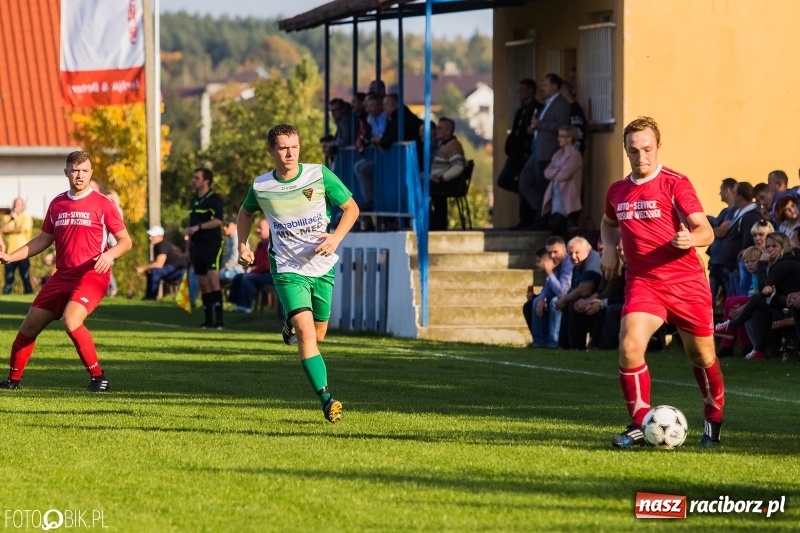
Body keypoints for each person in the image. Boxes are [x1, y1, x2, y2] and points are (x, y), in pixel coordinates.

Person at [600, 116, 724, 448]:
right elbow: (608, 223)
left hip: (686, 284)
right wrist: (609, 250)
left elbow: (705, 229)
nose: (641, 157)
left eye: (647, 149)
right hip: (643, 283)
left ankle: (713, 418)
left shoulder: (675, 183)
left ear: (658, 147)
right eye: (633, 151)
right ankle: (640, 423)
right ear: (626, 151)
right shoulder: (617, 191)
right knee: (629, 346)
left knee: (702, 356)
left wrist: (691, 239)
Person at [236, 124, 359, 423]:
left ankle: (290, 326)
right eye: (282, 147)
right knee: (306, 333)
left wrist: (335, 238)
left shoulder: (319, 175)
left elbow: (351, 209)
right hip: (288, 268)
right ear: (271, 151)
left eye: (294, 146)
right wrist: (243, 246)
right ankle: (326, 398)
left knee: (318, 334)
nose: (289, 153)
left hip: (322, 267)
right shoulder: (262, 185)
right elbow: (245, 212)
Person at [0, 151, 132, 391]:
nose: (79, 175)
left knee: (71, 320)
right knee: (28, 327)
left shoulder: (103, 204)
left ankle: (98, 378)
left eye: (84, 171)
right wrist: (11, 256)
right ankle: (12, 381)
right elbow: (42, 240)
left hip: (91, 275)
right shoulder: (58, 203)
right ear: (66, 173)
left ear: (91, 173)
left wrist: (110, 254)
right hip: (62, 276)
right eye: (75, 170)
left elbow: (125, 241)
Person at [716, 232, 800, 360]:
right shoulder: (787, 260)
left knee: (757, 300)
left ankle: (732, 328)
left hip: (790, 308)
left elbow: (763, 286)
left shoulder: (784, 263)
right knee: (754, 307)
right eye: (768, 247)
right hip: (784, 304)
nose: (770, 249)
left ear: (784, 247)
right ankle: (758, 350)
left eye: (774, 246)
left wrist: (761, 263)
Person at [519, 73, 571, 228]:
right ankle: (541, 212)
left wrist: (540, 125)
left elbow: (561, 126)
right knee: (526, 182)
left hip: (549, 153)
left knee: (543, 187)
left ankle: (542, 219)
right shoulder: (547, 103)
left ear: (555, 86)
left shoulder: (561, 104)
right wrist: (534, 128)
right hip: (538, 151)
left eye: (546, 85)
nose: (542, 88)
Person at [185, 167, 225, 330]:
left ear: (206, 181)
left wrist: (199, 227)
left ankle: (220, 321)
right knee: (202, 283)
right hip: (197, 246)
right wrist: (188, 248)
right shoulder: (194, 200)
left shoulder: (214, 199)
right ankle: (208, 321)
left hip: (212, 245)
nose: (194, 181)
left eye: (197, 178)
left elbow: (218, 221)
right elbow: (190, 226)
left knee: (213, 279)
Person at [496, 79, 538, 229]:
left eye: (523, 89)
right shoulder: (520, 111)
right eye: (519, 89)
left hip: (525, 155)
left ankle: (528, 219)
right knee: (505, 181)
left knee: (523, 183)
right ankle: (527, 216)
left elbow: (532, 133)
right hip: (515, 154)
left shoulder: (535, 109)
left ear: (531, 91)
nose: (520, 93)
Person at [555, 236, 603, 349]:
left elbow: (585, 289)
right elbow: (574, 288)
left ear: (587, 250)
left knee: (573, 306)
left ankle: (577, 347)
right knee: (567, 305)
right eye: (570, 253)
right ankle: (563, 346)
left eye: (577, 252)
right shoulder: (578, 265)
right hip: (590, 299)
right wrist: (563, 300)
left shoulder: (592, 261)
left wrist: (565, 299)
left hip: (598, 300)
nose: (573, 256)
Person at [527, 236, 573, 349]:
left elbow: (562, 292)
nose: (552, 256)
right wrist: (542, 298)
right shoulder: (555, 262)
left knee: (554, 302)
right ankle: (539, 342)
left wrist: (550, 273)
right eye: (549, 252)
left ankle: (554, 342)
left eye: (555, 252)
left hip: (571, 296)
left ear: (564, 250)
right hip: (561, 295)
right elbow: (548, 288)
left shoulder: (569, 265)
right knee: (536, 301)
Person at [540, 125, 583, 240]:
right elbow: (546, 172)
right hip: (556, 197)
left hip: (568, 199)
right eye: (558, 136)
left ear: (570, 138)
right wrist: (558, 171)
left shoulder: (575, 155)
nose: (559, 139)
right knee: (555, 226)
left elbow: (563, 175)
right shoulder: (558, 154)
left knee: (559, 225)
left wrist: (556, 171)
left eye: (562, 136)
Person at [428, 117, 466, 231]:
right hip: (441, 182)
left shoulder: (453, 146)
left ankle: (435, 224)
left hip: (448, 184)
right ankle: (435, 223)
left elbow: (458, 166)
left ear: (448, 130)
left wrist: (443, 178)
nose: (436, 131)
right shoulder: (443, 144)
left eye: (439, 128)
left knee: (422, 188)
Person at [228, 218, 273, 313]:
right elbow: (255, 261)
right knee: (238, 277)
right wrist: (247, 259)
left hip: (270, 275)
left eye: (260, 228)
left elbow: (266, 265)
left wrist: (252, 271)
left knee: (247, 278)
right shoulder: (261, 244)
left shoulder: (271, 244)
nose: (257, 230)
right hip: (261, 274)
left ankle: (246, 307)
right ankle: (237, 304)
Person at [136, 225, 186, 300]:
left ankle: (151, 297)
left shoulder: (162, 245)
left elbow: (159, 264)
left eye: (152, 236)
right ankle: (149, 296)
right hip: (175, 268)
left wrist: (143, 268)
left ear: (160, 236)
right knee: (151, 271)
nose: (150, 238)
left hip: (178, 270)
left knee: (156, 271)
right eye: (150, 236)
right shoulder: (160, 245)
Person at [2, 198, 34, 294]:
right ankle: (5, 297)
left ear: (23, 206)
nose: (17, 206)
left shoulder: (26, 218)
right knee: (9, 278)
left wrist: (10, 230)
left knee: (25, 277)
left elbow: (22, 229)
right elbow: (2, 229)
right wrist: (11, 219)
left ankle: (29, 295)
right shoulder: (7, 218)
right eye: (15, 203)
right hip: (9, 252)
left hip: (23, 252)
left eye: (19, 204)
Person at [219, 216, 245, 285]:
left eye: (227, 225)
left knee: (215, 277)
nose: (224, 228)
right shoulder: (229, 238)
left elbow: (235, 258)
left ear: (235, 226)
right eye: (224, 226)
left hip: (238, 269)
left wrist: (225, 266)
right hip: (230, 268)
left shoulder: (238, 237)